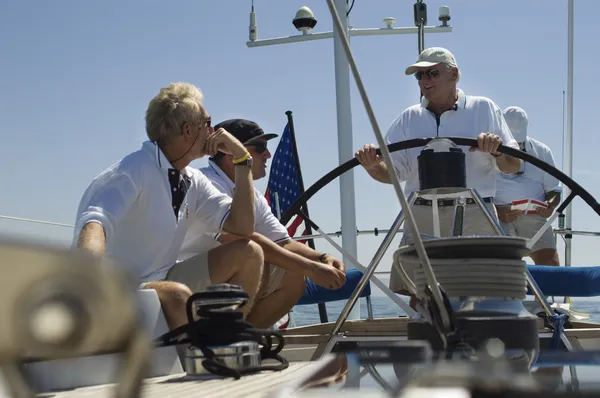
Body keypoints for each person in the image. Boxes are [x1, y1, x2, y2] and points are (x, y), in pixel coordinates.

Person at [72, 82, 264, 332]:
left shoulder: (193, 180)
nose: (214, 131)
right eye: (208, 123)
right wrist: (89, 281)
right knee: (175, 296)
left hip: (162, 279)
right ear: (188, 130)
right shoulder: (132, 170)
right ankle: (197, 354)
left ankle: (222, 343)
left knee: (249, 253)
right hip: (118, 288)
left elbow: (242, 227)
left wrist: (242, 160)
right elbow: (95, 222)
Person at [354, 47, 522, 307]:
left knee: (482, 292)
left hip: (475, 212)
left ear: (453, 74)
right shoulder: (409, 118)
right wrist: (372, 166)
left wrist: (498, 152)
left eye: (431, 73)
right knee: (418, 293)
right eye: (419, 76)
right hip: (422, 212)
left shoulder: (484, 109)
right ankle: (423, 340)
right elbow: (393, 174)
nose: (424, 81)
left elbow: (513, 165)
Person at [179, 119, 347, 329]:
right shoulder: (207, 183)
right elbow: (244, 238)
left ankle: (243, 340)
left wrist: (323, 258)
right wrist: (312, 268)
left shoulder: (250, 194)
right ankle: (223, 345)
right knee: (254, 255)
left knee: (294, 274)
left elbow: (283, 241)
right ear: (231, 152)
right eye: (259, 148)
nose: (267, 155)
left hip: (221, 283)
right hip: (189, 281)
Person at [495, 106, 562, 266]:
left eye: (519, 143)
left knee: (551, 266)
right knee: (502, 268)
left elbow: (554, 190)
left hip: (534, 216)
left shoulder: (542, 151)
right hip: (497, 215)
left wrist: (550, 206)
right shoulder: (486, 151)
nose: (516, 148)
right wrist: (497, 212)